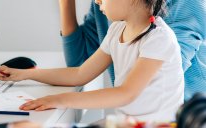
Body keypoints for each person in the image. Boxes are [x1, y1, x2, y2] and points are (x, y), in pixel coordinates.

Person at [0, 0, 184, 121]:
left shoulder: (159, 39)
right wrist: (25, 74)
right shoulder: (117, 29)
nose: (97, 1)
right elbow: (80, 73)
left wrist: (60, 100)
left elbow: (126, 94)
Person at [59, 0, 206, 101]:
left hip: (187, 115)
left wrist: (62, 100)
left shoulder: (186, 5)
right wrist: (66, 3)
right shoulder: (107, 6)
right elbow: (79, 63)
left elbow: (149, 81)